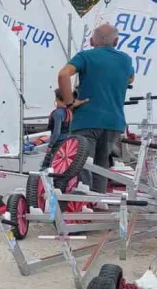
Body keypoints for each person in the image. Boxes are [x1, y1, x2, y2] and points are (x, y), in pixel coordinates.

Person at [57, 23, 134, 193]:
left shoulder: (85, 56)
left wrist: (70, 103)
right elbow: (130, 79)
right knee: (102, 163)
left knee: (83, 163)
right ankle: (99, 200)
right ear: (116, 42)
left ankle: (83, 202)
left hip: (87, 119)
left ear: (91, 41)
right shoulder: (126, 60)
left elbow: (63, 74)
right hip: (114, 121)